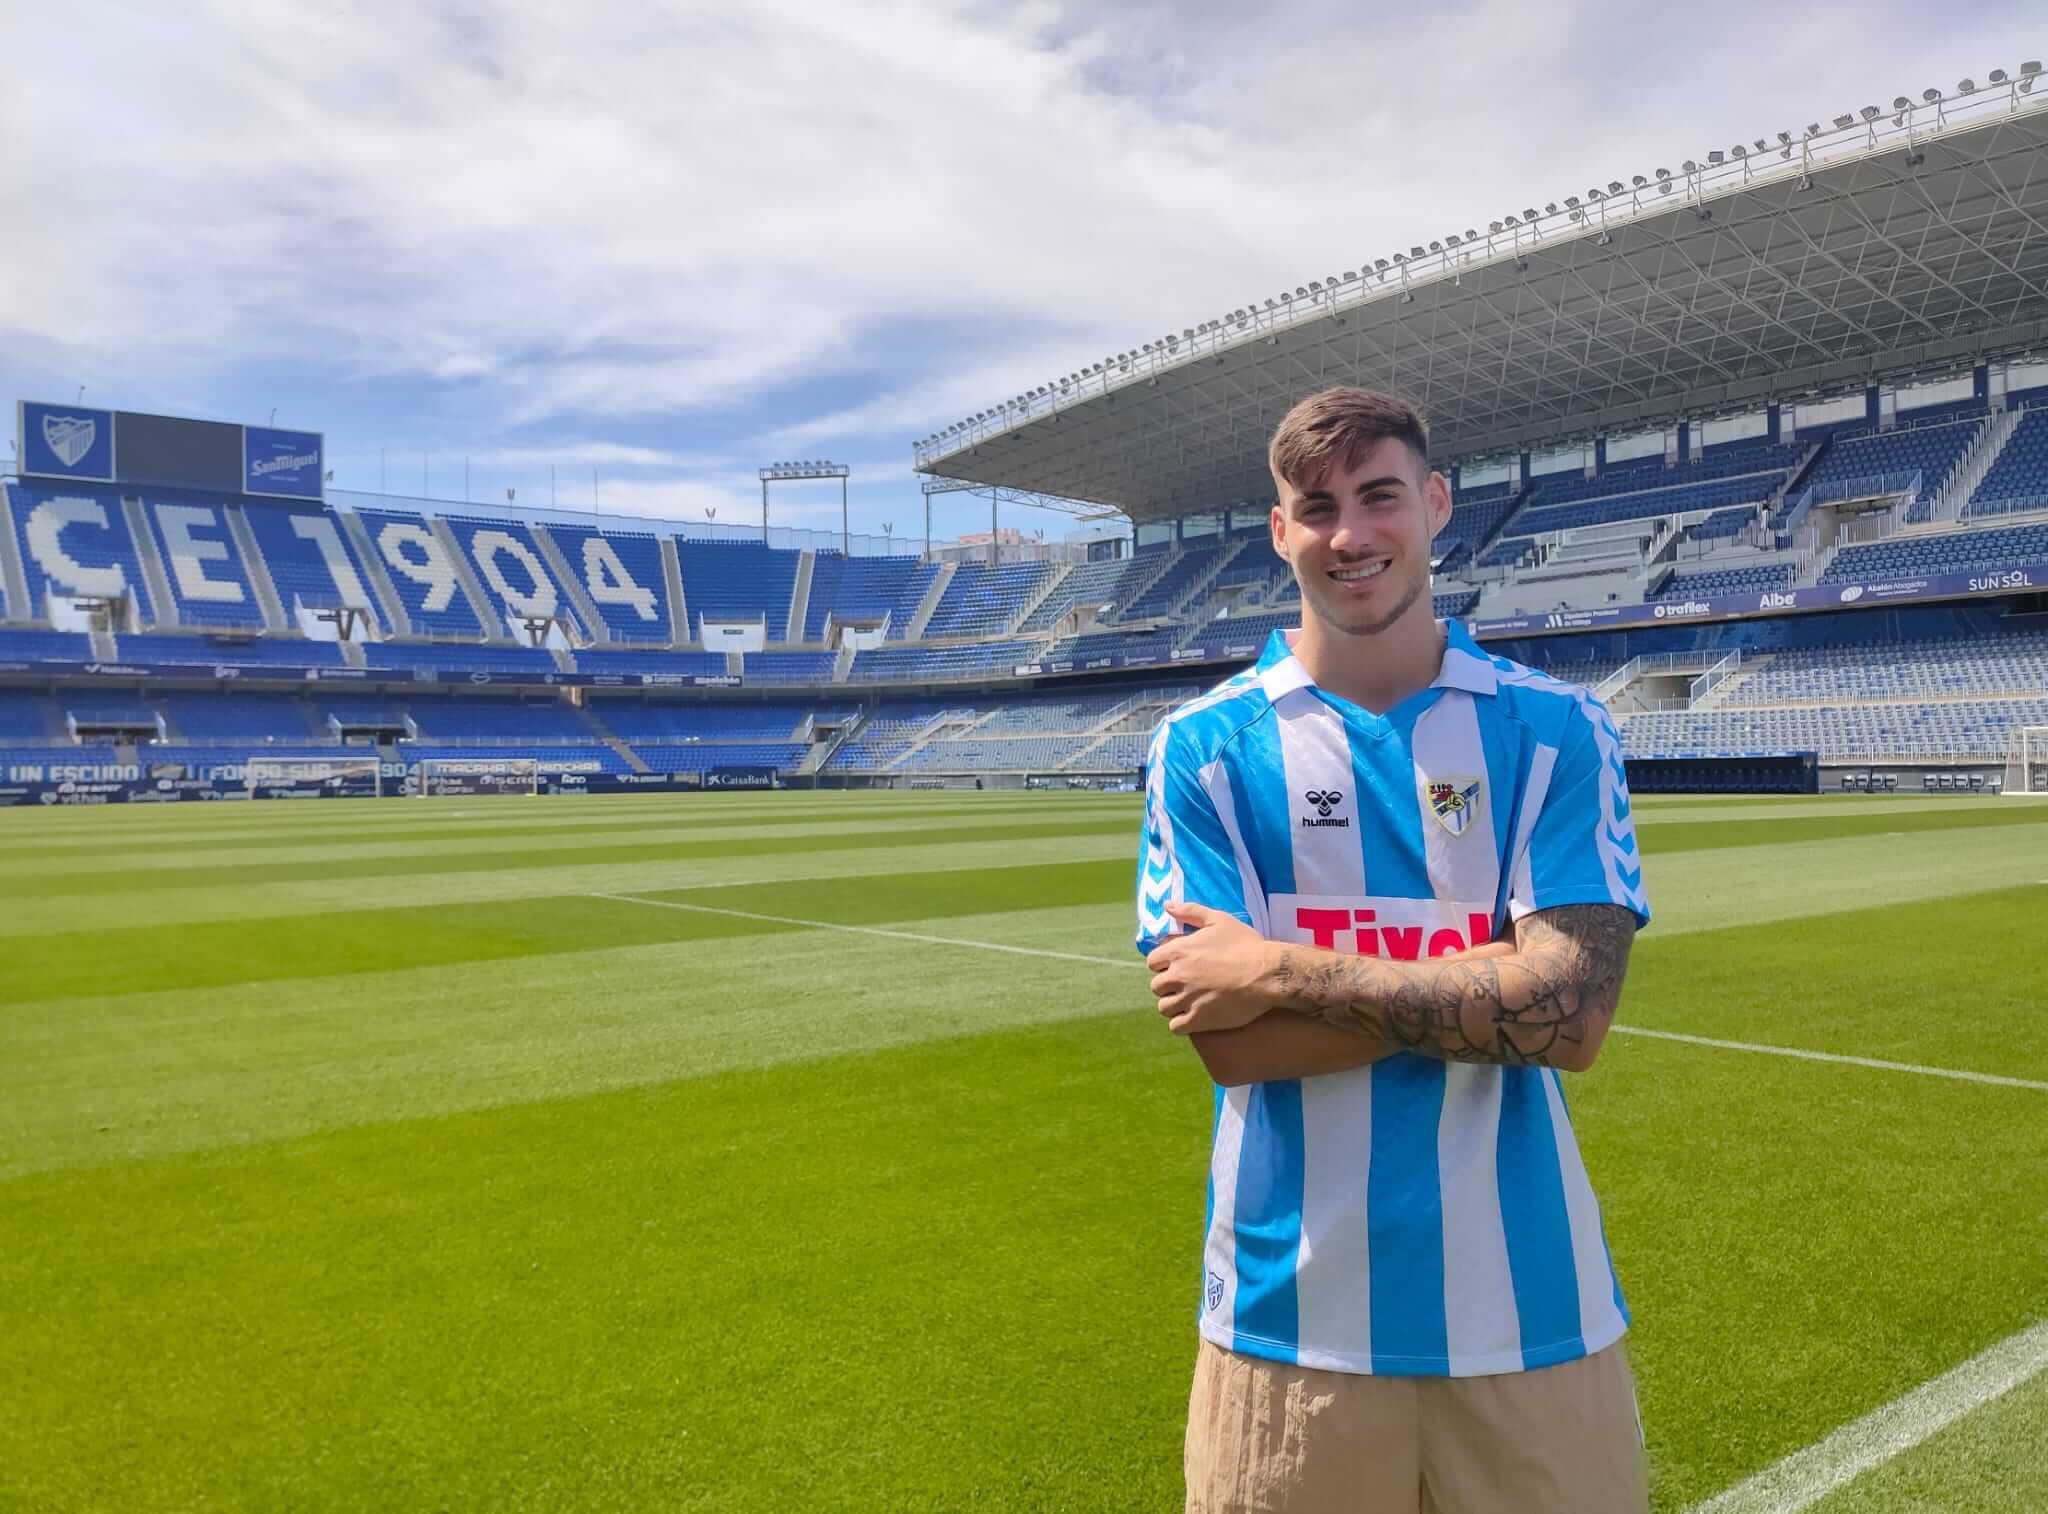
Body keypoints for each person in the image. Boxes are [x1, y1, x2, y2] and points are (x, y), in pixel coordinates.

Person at [1135, 386, 1651, 1514]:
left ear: (1432, 503)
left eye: (1378, 496)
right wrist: (1488, 979)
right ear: (1280, 534)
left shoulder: (1555, 728)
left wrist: (1274, 967)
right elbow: (1229, 1046)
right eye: (1314, 507)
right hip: (1287, 1323)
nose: (1349, 533)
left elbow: (1567, 1014)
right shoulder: (1203, 747)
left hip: (1532, 1313)